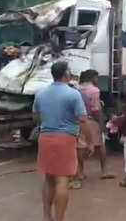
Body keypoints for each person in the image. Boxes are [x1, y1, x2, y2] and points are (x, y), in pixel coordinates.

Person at [34, 61, 88, 221]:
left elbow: (35, 117)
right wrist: (87, 140)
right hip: (65, 139)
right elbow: (83, 120)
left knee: (49, 178)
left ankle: (46, 217)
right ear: (66, 74)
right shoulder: (73, 94)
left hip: (45, 138)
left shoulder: (40, 93)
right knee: (62, 179)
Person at [71, 70, 114, 189]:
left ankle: (80, 172)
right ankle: (104, 171)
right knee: (101, 145)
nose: (97, 80)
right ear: (92, 78)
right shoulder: (94, 90)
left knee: (80, 146)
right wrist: (101, 124)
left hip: (78, 121)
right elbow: (96, 109)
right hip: (91, 120)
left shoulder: (76, 89)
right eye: (96, 77)